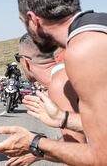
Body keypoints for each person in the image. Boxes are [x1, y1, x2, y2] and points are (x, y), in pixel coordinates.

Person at [0, 0, 107, 165]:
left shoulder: (83, 49)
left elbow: (102, 157)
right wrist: (64, 119)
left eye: (24, 23)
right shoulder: (97, 27)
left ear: (34, 20)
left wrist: (34, 143)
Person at [6, 33, 86, 166]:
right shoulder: (65, 72)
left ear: (25, 61)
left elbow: (77, 148)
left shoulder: (58, 84)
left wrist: (36, 148)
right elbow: (84, 134)